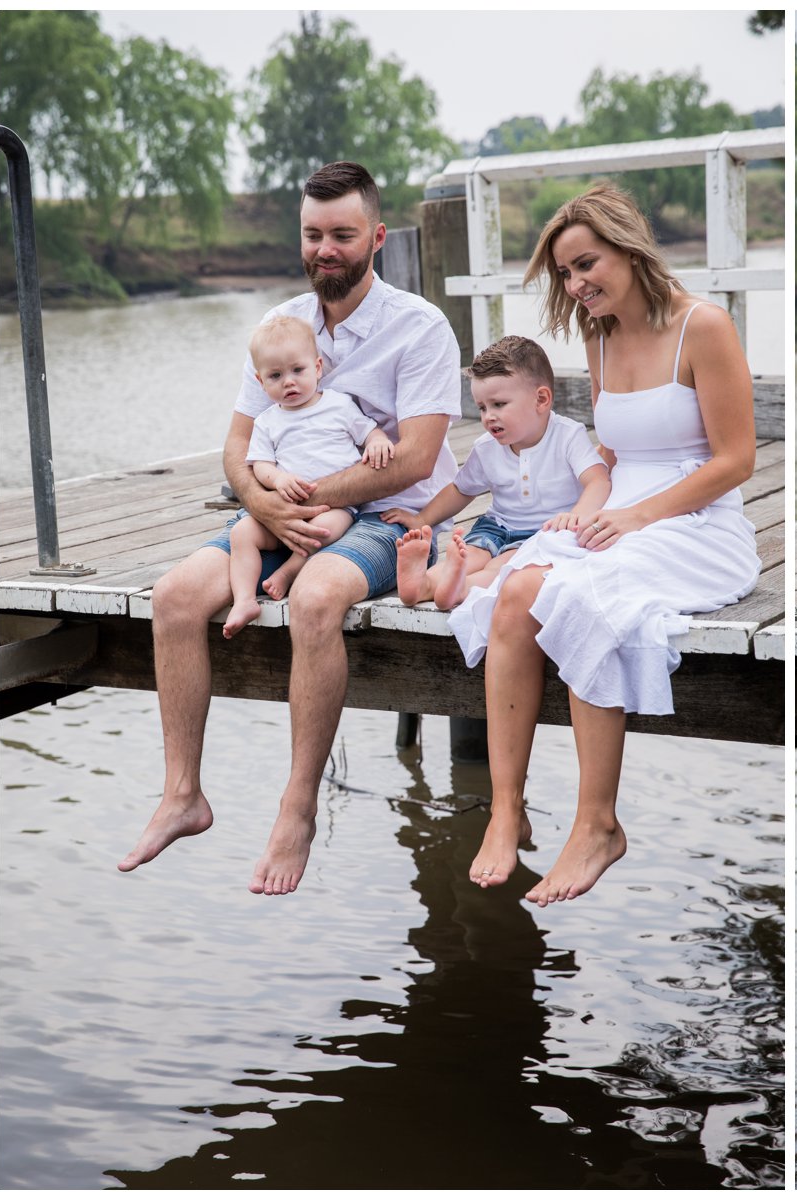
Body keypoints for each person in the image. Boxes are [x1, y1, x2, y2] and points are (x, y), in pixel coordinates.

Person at [118, 161, 463, 895]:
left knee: (312, 602)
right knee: (175, 596)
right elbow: (237, 450)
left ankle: (297, 807)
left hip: (386, 517)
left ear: (375, 236)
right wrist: (264, 503)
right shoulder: (281, 330)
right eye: (313, 235)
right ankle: (184, 793)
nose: (325, 250)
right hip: (283, 508)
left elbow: (416, 460)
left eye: (342, 234)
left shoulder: (419, 327)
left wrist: (298, 503)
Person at [445, 184, 759, 905]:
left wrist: (640, 517)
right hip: (619, 509)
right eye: (564, 273)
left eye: (586, 264)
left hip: (697, 520)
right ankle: (507, 809)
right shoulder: (599, 331)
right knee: (518, 588)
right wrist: (582, 510)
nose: (576, 285)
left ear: (629, 247)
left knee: (585, 595)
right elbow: (611, 456)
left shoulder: (702, 326)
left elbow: (736, 461)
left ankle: (597, 825)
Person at [384, 335, 610, 611]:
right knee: (470, 553)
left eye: (499, 405)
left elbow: (598, 480)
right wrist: (422, 518)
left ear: (541, 399)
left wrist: (579, 514)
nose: (488, 416)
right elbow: (460, 490)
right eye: (482, 407)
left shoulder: (567, 436)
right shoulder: (486, 448)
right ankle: (424, 584)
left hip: (539, 533)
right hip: (495, 526)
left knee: (500, 567)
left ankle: (458, 588)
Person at [223, 316, 396, 638]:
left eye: (297, 371)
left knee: (326, 530)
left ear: (317, 368)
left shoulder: (339, 405)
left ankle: (289, 571)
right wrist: (277, 479)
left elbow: (368, 431)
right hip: (281, 511)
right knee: (242, 533)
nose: (288, 382)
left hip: (332, 508)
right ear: (261, 382)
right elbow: (259, 464)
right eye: (276, 376)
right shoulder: (267, 421)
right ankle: (244, 599)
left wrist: (378, 442)